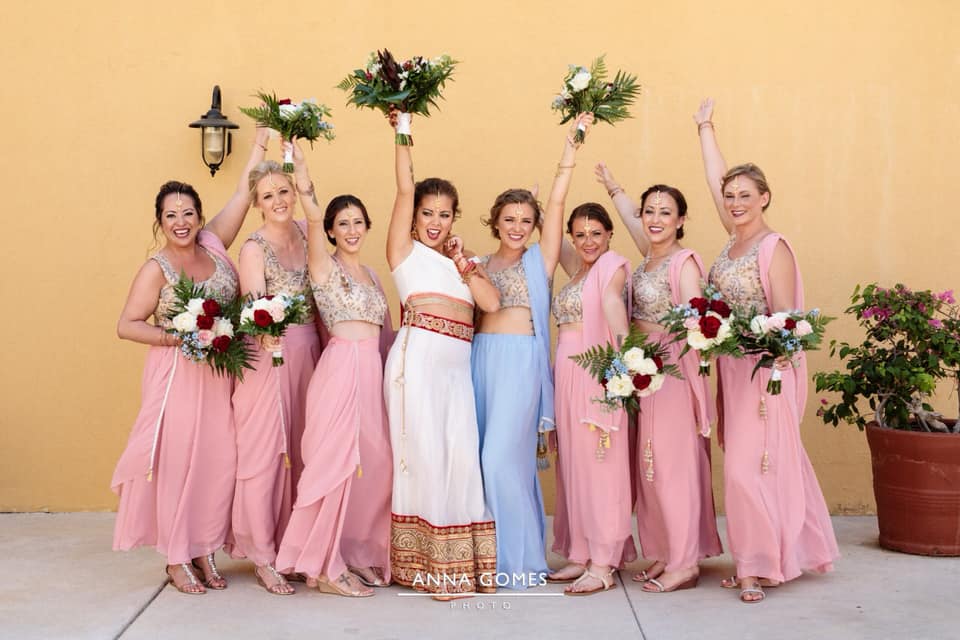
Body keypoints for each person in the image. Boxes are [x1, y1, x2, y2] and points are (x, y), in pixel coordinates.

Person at [695, 97, 839, 603]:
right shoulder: (730, 241)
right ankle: (774, 550)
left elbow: (785, 318)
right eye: (730, 195)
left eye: (744, 195)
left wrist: (773, 353)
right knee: (754, 463)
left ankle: (756, 566)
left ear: (765, 198)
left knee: (745, 470)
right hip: (732, 370)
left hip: (764, 371)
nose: (734, 202)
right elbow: (716, 182)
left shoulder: (771, 246)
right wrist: (705, 129)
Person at [112, 130, 267, 594]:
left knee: (218, 462)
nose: (181, 222)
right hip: (176, 375)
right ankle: (177, 557)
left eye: (188, 213)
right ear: (159, 222)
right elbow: (127, 324)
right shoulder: (156, 268)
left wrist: (261, 144)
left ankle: (204, 548)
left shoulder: (215, 246)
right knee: (180, 463)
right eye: (170, 215)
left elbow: (244, 193)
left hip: (219, 376)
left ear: (200, 216)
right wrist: (175, 336)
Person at [470, 113, 593, 590]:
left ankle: (519, 560)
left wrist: (570, 151)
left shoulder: (539, 260)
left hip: (520, 363)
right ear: (495, 222)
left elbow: (559, 199)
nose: (518, 227)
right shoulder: (476, 263)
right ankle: (485, 557)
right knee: (479, 460)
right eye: (509, 220)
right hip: (480, 361)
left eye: (527, 220)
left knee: (503, 459)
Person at [382, 111, 500, 598]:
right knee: (425, 455)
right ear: (414, 217)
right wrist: (403, 130)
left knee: (458, 456)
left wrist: (463, 261)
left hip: (455, 372)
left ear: (455, 217)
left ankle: (460, 566)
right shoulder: (404, 253)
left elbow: (491, 304)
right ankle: (429, 571)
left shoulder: (460, 263)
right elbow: (404, 187)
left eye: (444, 213)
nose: (434, 221)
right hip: (416, 366)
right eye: (427, 213)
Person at [595, 167, 724, 592]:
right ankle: (668, 552)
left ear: (681, 220)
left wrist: (671, 369)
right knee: (650, 467)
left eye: (664, 212)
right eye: (648, 211)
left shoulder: (683, 262)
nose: (654, 218)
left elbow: (697, 327)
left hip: (670, 373)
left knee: (672, 467)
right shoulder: (649, 257)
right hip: (644, 371)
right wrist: (615, 189)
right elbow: (636, 224)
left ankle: (685, 561)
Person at [275, 140, 394, 597]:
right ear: (328, 232)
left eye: (357, 222)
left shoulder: (373, 276)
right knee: (336, 466)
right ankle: (325, 565)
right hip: (341, 367)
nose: (351, 229)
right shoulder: (322, 266)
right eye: (341, 224)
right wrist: (301, 170)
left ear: (367, 227)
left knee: (375, 464)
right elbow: (308, 209)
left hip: (371, 372)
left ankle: (357, 552)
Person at [227, 151, 322, 595]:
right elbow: (254, 309)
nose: (280, 200)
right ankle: (263, 555)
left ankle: (294, 546)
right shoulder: (253, 247)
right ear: (258, 203)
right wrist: (270, 338)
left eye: (284, 191)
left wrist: (300, 164)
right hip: (270, 356)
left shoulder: (306, 233)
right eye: (269, 195)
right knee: (266, 453)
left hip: (310, 354)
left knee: (303, 451)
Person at [548, 191, 638, 595]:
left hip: (595, 369)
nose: (588, 241)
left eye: (596, 233)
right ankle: (581, 552)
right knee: (574, 465)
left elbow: (611, 304)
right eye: (580, 234)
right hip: (566, 371)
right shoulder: (578, 271)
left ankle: (603, 562)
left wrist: (624, 365)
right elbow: (550, 232)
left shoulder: (611, 267)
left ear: (609, 235)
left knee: (601, 465)